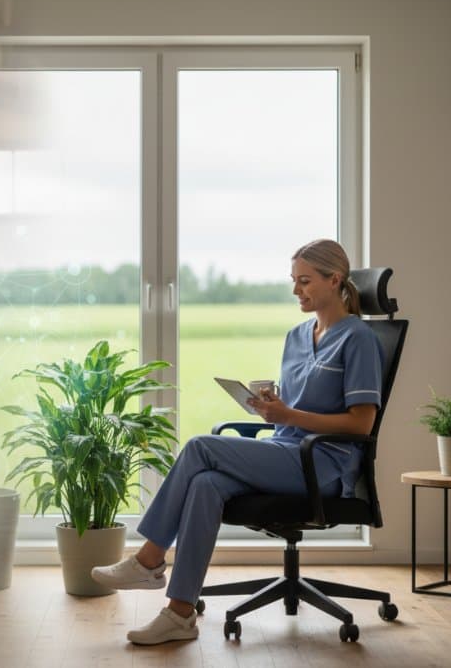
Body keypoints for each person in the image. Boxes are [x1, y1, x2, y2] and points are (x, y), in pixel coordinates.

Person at [91, 239, 383, 645]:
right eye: (293, 281)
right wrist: (273, 409)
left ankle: (148, 560)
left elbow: (361, 425)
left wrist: (290, 416)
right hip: (285, 451)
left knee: (199, 447)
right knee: (205, 484)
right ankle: (179, 614)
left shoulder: (359, 339)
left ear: (335, 280)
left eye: (305, 281)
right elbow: (294, 408)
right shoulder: (297, 336)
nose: (296, 290)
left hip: (324, 465)